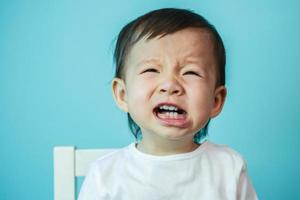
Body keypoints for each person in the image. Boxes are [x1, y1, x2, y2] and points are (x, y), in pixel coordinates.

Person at [78, 8, 258, 200]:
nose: (170, 85)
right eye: (152, 69)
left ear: (216, 100)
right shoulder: (104, 176)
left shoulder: (229, 168)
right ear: (123, 95)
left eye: (191, 72)